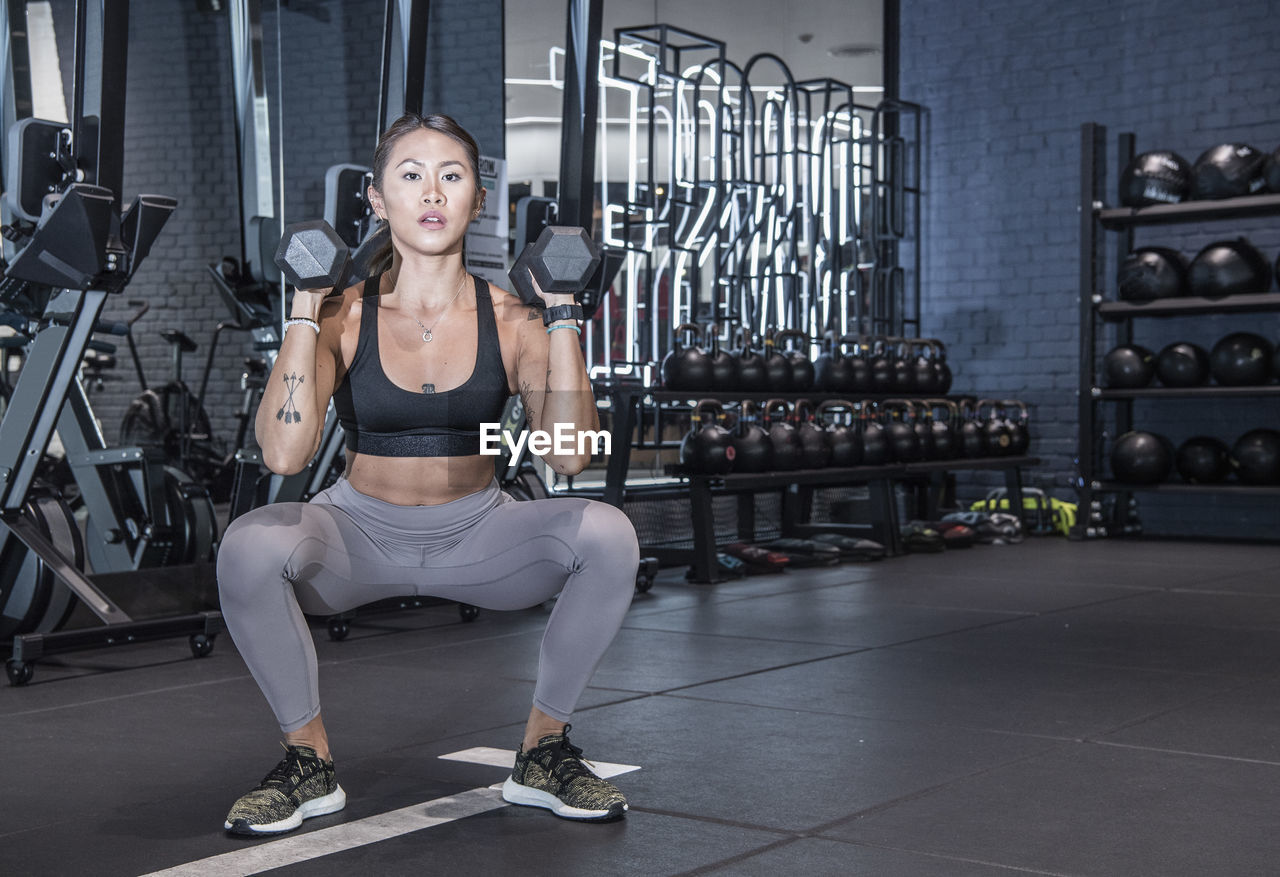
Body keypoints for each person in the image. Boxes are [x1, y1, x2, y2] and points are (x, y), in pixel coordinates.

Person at [216, 112, 640, 836]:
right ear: (378, 200)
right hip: (355, 537)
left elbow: (568, 454)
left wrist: (564, 314)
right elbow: (285, 456)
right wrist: (302, 309)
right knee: (250, 544)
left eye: (452, 175)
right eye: (410, 175)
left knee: (608, 533)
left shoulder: (514, 320)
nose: (432, 191)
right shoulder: (344, 316)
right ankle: (306, 761)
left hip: (481, 535)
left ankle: (543, 749)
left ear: (478, 199)